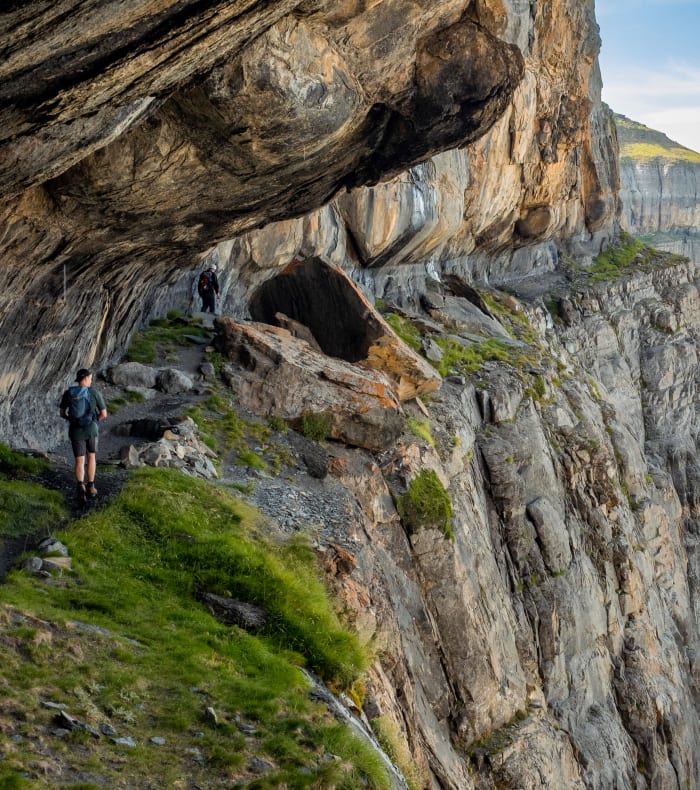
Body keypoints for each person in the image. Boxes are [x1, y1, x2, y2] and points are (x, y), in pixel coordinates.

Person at [59, 368, 107, 504]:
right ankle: (91, 486)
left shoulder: (69, 394)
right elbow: (104, 414)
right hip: (91, 429)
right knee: (91, 456)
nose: (91, 381)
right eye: (90, 378)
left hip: (75, 431)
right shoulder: (95, 393)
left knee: (79, 460)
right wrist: (94, 421)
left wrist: (73, 420)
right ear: (85, 378)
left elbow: (62, 413)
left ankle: (80, 486)